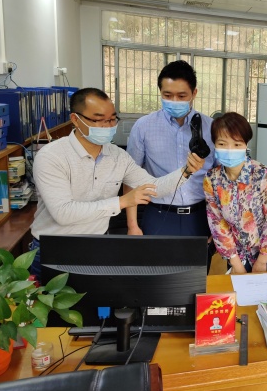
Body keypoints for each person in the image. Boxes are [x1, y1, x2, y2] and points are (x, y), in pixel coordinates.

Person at [30, 88, 204, 280]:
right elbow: (63, 213)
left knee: (97, 299)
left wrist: (186, 171)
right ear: (75, 119)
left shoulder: (118, 156)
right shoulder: (51, 156)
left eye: (113, 119)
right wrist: (122, 202)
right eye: (99, 120)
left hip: (98, 247)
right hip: (53, 250)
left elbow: (154, 187)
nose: (108, 126)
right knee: (48, 300)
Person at [125, 60, 215, 238]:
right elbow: (130, 177)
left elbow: (223, 179)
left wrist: (220, 226)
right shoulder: (144, 126)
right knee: (155, 257)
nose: (174, 101)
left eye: (181, 96)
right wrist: (132, 225)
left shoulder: (212, 128)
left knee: (199, 258)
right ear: (160, 92)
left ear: (194, 93)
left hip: (201, 216)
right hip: (158, 214)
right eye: (167, 95)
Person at [204, 112, 267, 273]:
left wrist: (262, 261)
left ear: (246, 144)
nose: (229, 150)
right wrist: (236, 264)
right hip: (237, 255)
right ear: (214, 144)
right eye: (222, 143)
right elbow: (217, 223)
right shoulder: (212, 179)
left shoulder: (263, 174)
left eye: (237, 144)